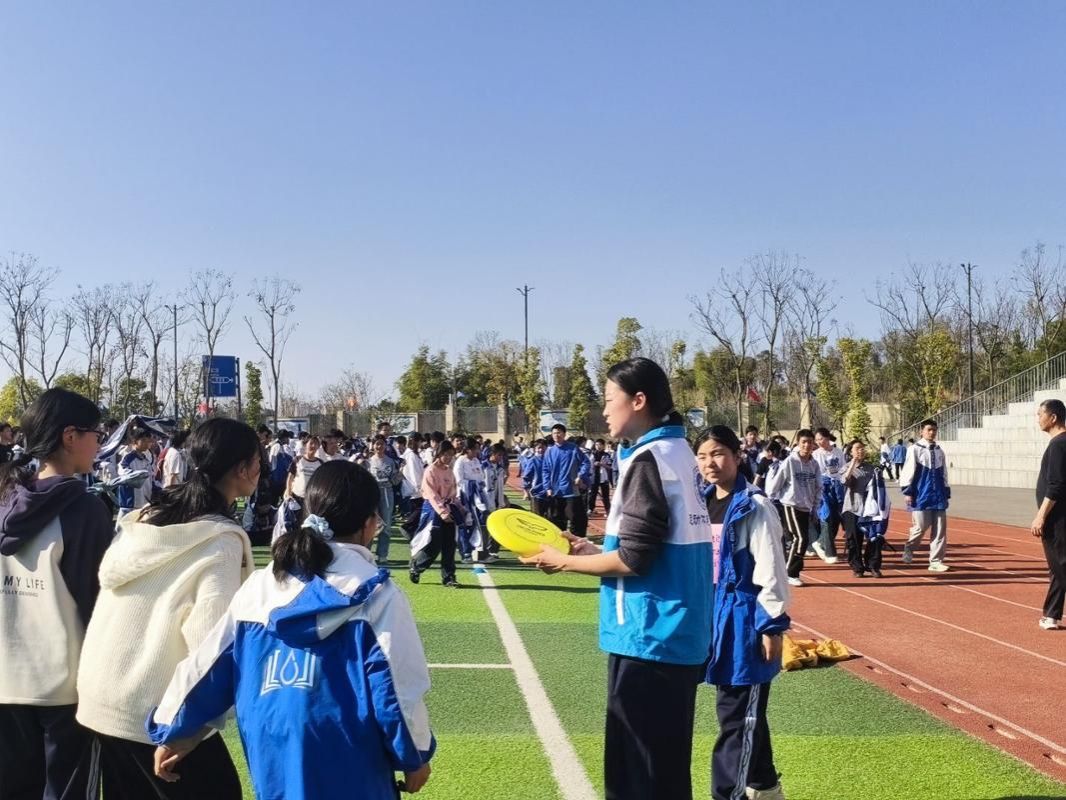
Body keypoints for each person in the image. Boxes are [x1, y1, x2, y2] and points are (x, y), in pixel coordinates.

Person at [148, 460, 435, 799]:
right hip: (348, 749)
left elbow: (208, 664)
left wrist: (174, 727)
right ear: (370, 523)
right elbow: (397, 686)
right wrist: (414, 755)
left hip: (270, 742)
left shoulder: (261, 585)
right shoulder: (377, 593)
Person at [522, 358, 713, 800]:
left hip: (650, 635)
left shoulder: (650, 459)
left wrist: (562, 562)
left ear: (639, 400)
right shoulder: (676, 452)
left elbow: (634, 560)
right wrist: (592, 551)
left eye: (610, 400)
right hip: (671, 632)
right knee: (662, 774)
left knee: (638, 778)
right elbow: (647, 546)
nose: (604, 410)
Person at [76, 418, 259, 800]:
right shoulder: (219, 542)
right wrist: (191, 730)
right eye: (258, 461)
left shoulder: (148, 518)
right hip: (149, 709)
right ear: (242, 469)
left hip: (102, 694)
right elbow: (211, 644)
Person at [0, 389, 113, 800]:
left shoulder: (5, 498)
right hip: (65, 686)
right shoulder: (84, 509)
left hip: (6, 679)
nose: (99, 443)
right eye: (96, 433)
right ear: (70, 436)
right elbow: (99, 604)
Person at [694, 426, 790, 800]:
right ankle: (766, 786)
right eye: (702, 456)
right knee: (743, 713)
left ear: (737, 456)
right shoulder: (698, 505)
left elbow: (771, 568)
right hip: (711, 618)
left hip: (743, 622)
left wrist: (771, 625)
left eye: (718, 453)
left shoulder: (755, 506)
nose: (710, 463)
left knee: (736, 717)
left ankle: (727, 795)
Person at [766, 429, 821, 587]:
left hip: (806, 506)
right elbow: (776, 483)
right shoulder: (790, 461)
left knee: (801, 539)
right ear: (798, 443)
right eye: (804, 442)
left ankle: (790, 570)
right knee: (801, 538)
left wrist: (815, 507)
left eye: (810, 442)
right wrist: (770, 500)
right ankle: (790, 573)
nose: (807, 445)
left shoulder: (814, 464)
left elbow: (818, 487)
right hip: (791, 504)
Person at [1032, 399, 1066, 630]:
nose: (1038, 419)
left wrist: (1041, 515)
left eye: (1040, 414)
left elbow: (1055, 485)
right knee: (1057, 566)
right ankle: (1052, 615)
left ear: (1053, 418)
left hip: (1057, 518)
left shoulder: (1058, 445)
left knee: (1061, 565)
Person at [900, 419, 950, 572]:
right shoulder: (915, 449)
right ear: (921, 431)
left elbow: (944, 472)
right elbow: (908, 470)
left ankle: (936, 561)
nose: (932, 432)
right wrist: (907, 491)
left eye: (934, 430)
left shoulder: (939, 451)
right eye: (929, 430)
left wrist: (946, 490)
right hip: (921, 494)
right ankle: (910, 547)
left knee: (940, 529)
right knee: (921, 527)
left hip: (938, 495)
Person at [410, 441, 460, 586]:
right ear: (439, 454)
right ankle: (417, 566)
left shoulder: (449, 471)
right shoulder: (430, 471)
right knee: (434, 543)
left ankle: (449, 576)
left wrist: (457, 507)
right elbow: (432, 495)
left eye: (451, 455)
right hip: (433, 510)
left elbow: (453, 491)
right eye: (446, 454)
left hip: (447, 507)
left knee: (450, 544)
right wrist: (442, 512)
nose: (449, 457)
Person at [840, 439, 883, 578]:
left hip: (870, 509)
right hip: (852, 507)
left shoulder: (871, 468)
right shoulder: (846, 467)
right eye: (857, 448)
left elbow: (879, 487)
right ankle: (857, 567)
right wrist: (853, 463)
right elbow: (845, 481)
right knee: (854, 539)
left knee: (874, 537)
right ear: (850, 451)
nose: (861, 450)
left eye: (862, 448)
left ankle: (873, 565)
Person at [542, 423, 592, 537]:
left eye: (559, 432)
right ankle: (560, 544)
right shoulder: (549, 451)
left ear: (564, 434)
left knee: (577, 520)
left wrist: (580, 476)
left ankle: (577, 543)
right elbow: (545, 470)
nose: (556, 435)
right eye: (554, 433)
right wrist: (547, 487)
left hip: (571, 491)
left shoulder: (573, 448)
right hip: (555, 492)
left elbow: (585, 463)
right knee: (556, 522)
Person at [365, 435, 402, 563]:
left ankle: (382, 554)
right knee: (370, 523)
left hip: (387, 492)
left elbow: (395, 480)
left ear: (385, 445)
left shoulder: (390, 461)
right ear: (373, 445)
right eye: (377, 444)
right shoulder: (368, 462)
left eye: (382, 444)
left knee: (386, 523)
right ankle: (366, 554)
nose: (379, 446)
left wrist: (401, 472)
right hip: (372, 493)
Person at [811, 428, 845, 564]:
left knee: (836, 518)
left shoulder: (838, 452)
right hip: (823, 487)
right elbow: (816, 472)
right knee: (827, 515)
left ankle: (820, 542)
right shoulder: (816, 454)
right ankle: (830, 551)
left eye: (821, 439)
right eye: (817, 440)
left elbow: (843, 468)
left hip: (838, 487)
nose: (819, 442)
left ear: (828, 438)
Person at [117, 427, 156, 513]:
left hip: (144, 503)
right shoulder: (127, 458)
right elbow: (123, 472)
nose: (146, 444)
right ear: (135, 441)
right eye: (143, 440)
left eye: (148, 441)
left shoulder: (146, 460)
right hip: (130, 504)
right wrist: (138, 475)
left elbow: (151, 479)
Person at [286, 434, 324, 512]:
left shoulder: (320, 463)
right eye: (311, 443)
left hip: (312, 499)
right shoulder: (298, 460)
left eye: (316, 444)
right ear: (305, 445)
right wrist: (288, 493)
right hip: (297, 497)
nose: (313, 446)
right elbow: (290, 477)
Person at [521, 438, 549, 516]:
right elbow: (526, 477)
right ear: (535, 449)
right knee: (537, 517)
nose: (541, 450)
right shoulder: (532, 461)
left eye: (543, 447)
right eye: (539, 448)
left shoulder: (550, 460)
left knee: (550, 518)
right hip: (537, 494)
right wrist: (526, 491)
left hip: (549, 493)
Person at [588, 438, 613, 517]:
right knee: (592, 495)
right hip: (594, 477)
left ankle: (608, 510)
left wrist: (602, 464)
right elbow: (588, 465)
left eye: (600, 445)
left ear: (603, 446)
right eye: (596, 445)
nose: (598, 446)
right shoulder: (592, 454)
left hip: (603, 478)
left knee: (605, 495)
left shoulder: (606, 455)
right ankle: (590, 509)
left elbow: (610, 467)